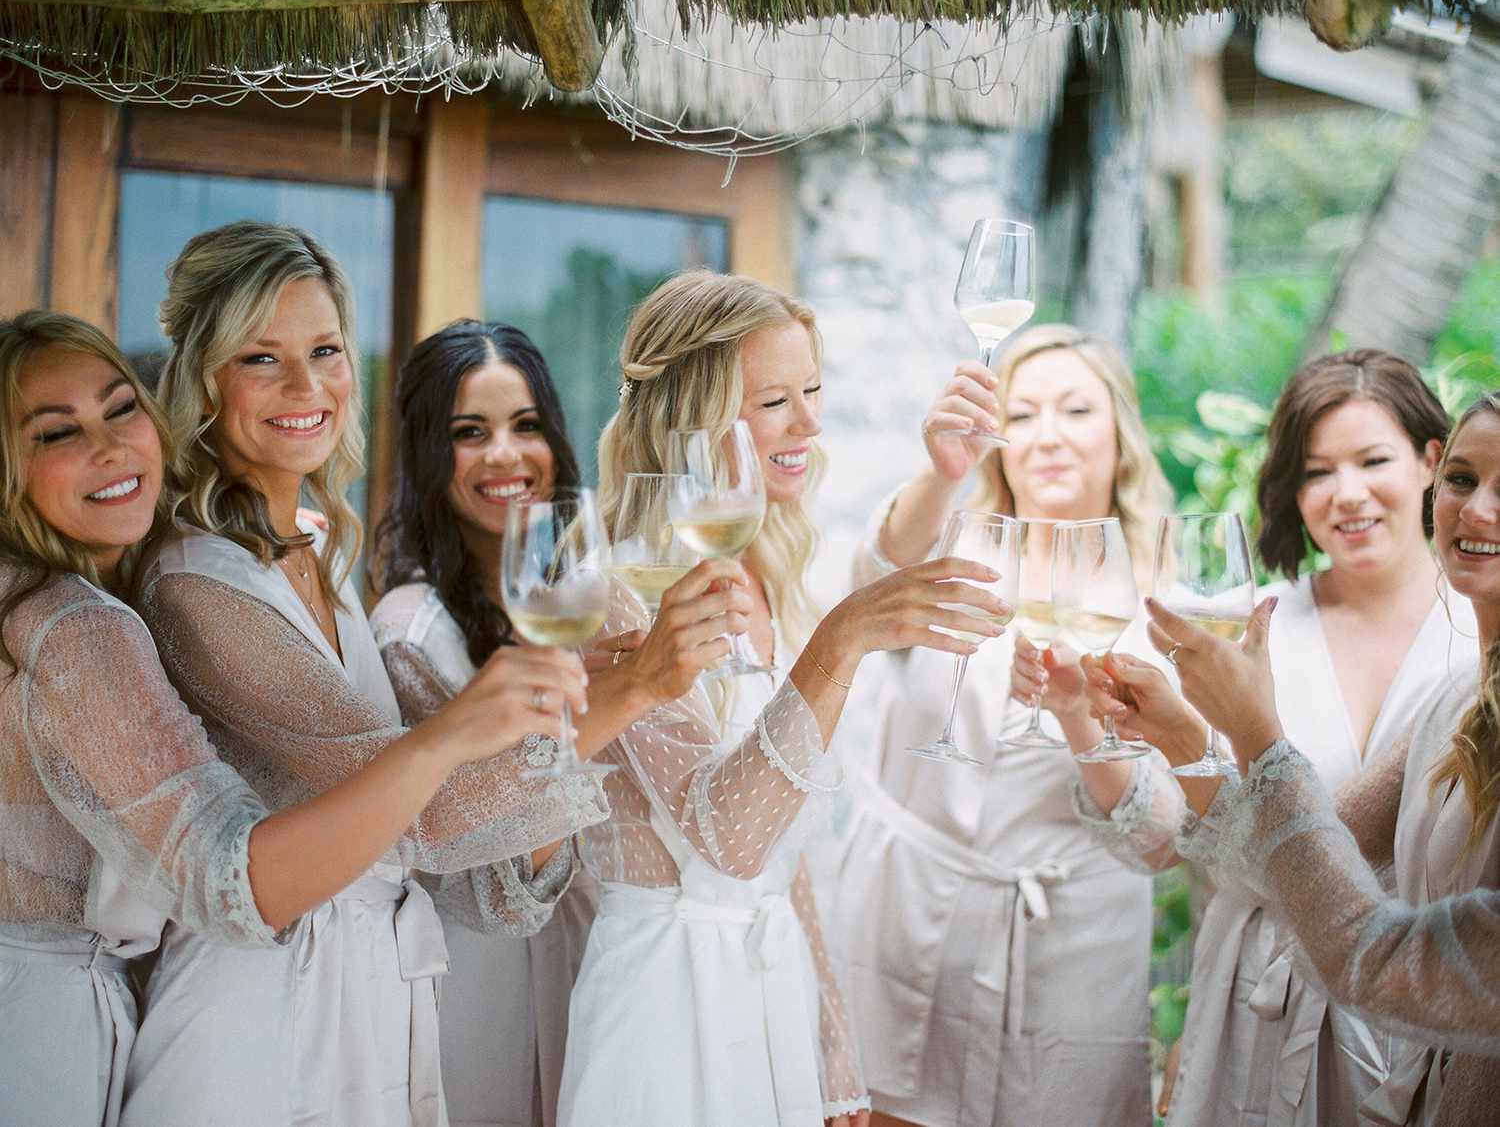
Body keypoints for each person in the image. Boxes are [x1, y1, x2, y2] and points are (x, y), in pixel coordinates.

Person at [0, 311, 585, 1127]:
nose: (107, 448)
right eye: (57, 433)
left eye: (120, 409)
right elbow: (230, 877)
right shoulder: (92, 619)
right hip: (68, 1032)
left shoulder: (295, 552)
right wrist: (467, 733)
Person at [558, 269, 1010, 1127]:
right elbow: (727, 837)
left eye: (812, 390)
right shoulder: (613, 593)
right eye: (773, 402)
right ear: (692, 420)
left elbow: (782, 858)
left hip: (775, 990)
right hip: (665, 1002)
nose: (808, 422)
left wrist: (834, 1049)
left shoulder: (769, 568)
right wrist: (843, 638)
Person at [1013, 350, 1475, 1125]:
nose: (1347, 494)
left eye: (1372, 461)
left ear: (1431, 461)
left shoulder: (1476, 638)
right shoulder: (1251, 623)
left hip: (1417, 1011)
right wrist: (1078, 716)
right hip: (1255, 1002)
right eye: (1317, 471)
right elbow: (1163, 839)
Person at [828, 325, 1173, 1127]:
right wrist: (941, 473)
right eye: (1021, 415)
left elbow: (1161, 837)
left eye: (1076, 409)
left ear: (1120, 432)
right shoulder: (954, 550)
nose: (1048, 435)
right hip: (912, 938)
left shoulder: (1167, 603)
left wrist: (1080, 718)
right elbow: (867, 585)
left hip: (1076, 957)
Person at [370, 320, 630, 1127]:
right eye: (468, 434)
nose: (506, 457)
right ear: (425, 456)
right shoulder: (411, 631)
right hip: (477, 992)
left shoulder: (581, 601)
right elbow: (491, 885)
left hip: (590, 975)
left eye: (525, 426)